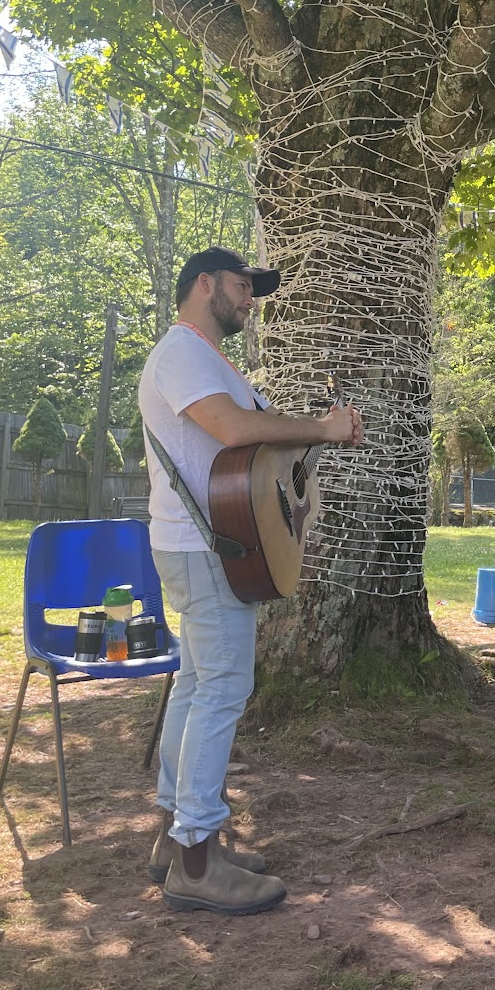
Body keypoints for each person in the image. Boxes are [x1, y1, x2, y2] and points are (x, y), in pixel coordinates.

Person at [139, 246, 363, 915]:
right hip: (204, 547)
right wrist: (321, 426)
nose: (251, 299)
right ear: (204, 284)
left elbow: (258, 452)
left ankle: (176, 838)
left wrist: (321, 437)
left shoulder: (213, 362)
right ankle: (198, 864)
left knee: (200, 684)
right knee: (223, 688)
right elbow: (234, 429)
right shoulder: (181, 352)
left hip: (213, 545)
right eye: (243, 286)